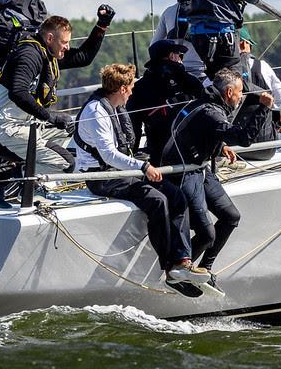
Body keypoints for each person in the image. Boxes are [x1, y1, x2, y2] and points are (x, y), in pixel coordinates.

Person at [74, 64, 210, 287]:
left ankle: (183, 261)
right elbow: (108, 155)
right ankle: (170, 267)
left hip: (123, 172)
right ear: (122, 88)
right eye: (131, 86)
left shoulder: (116, 108)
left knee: (176, 196)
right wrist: (143, 166)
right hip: (102, 177)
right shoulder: (96, 112)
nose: (133, 90)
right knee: (157, 200)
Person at [161, 68, 273, 291]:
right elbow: (244, 138)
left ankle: (206, 268)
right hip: (186, 172)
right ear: (229, 92)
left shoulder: (207, 104)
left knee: (231, 216)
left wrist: (220, 145)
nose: (241, 97)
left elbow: (200, 131)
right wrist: (264, 107)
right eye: (239, 93)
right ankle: (176, 273)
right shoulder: (212, 112)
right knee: (206, 234)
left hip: (200, 168)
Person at [0, 6, 114, 182]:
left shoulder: (49, 52)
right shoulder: (29, 54)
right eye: (64, 42)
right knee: (66, 163)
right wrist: (50, 116)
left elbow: (84, 56)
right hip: (0, 129)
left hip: (22, 125)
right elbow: (18, 92)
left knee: (76, 129)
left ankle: (29, 182)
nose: (67, 47)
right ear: (50, 38)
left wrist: (102, 25)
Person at [127, 40, 205, 166]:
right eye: (179, 55)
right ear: (171, 56)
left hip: (158, 152)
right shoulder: (188, 81)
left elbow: (133, 127)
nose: (181, 59)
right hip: (191, 150)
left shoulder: (138, 88)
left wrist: (130, 157)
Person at [235, 27, 281, 161]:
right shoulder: (263, 67)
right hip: (264, 148)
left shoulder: (222, 71)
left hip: (233, 149)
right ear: (244, 43)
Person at [150, 0, 206, 81]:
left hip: (174, 73)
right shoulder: (206, 10)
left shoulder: (168, 12)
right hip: (200, 73)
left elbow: (154, 45)